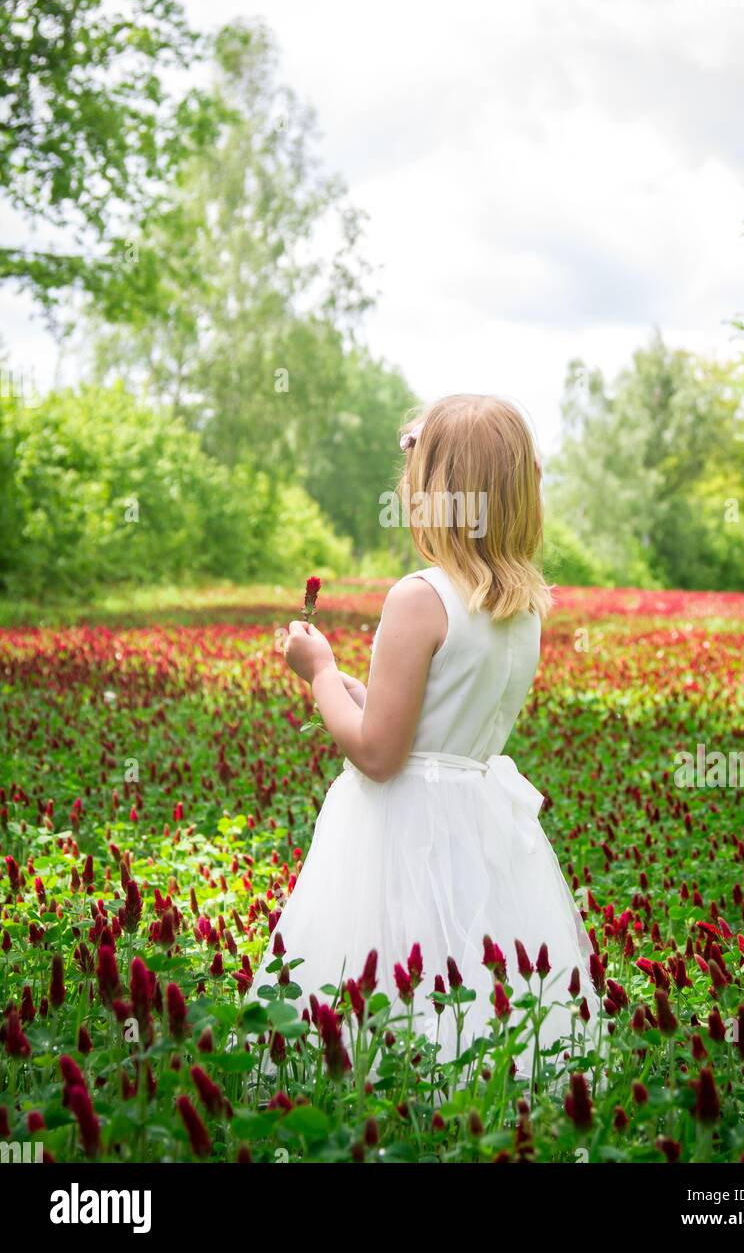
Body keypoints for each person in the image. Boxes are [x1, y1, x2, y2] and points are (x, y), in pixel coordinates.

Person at [249, 394, 600, 1074]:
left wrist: (319, 670)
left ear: (432, 496)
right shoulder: (522, 606)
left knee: (389, 965)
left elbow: (381, 753)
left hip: (403, 827)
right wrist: (356, 686)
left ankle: (379, 1096)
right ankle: (465, 1094)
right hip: (479, 821)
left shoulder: (420, 596)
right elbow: (435, 724)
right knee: (461, 968)